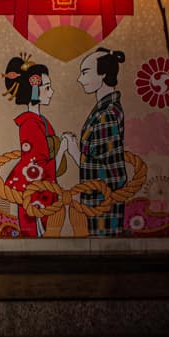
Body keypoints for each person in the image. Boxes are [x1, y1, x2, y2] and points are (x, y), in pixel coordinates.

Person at [64, 47, 127, 237]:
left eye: (85, 72)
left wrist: (74, 151)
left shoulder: (106, 114)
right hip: (98, 196)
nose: (79, 79)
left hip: (103, 198)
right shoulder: (105, 109)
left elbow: (104, 166)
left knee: (103, 242)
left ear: (103, 74)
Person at [3, 55, 66, 237]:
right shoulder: (30, 124)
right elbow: (38, 163)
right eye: (47, 87)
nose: (51, 92)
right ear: (34, 91)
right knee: (35, 231)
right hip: (34, 191)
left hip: (41, 189)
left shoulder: (41, 121)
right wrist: (62, 149)